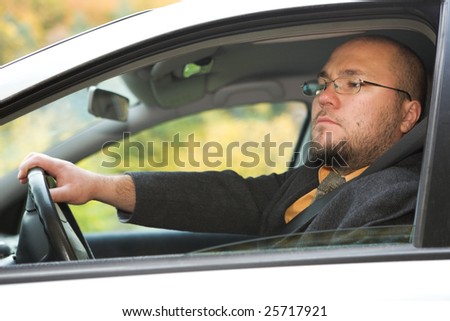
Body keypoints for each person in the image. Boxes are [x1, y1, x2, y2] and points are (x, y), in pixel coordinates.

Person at [17, 35, 427, 236]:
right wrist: (97, 185)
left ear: (408, 115)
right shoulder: (327, 177)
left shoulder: (395, 200)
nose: (325, 99)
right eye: (322, 85)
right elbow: (239, 198)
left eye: (353, 84)